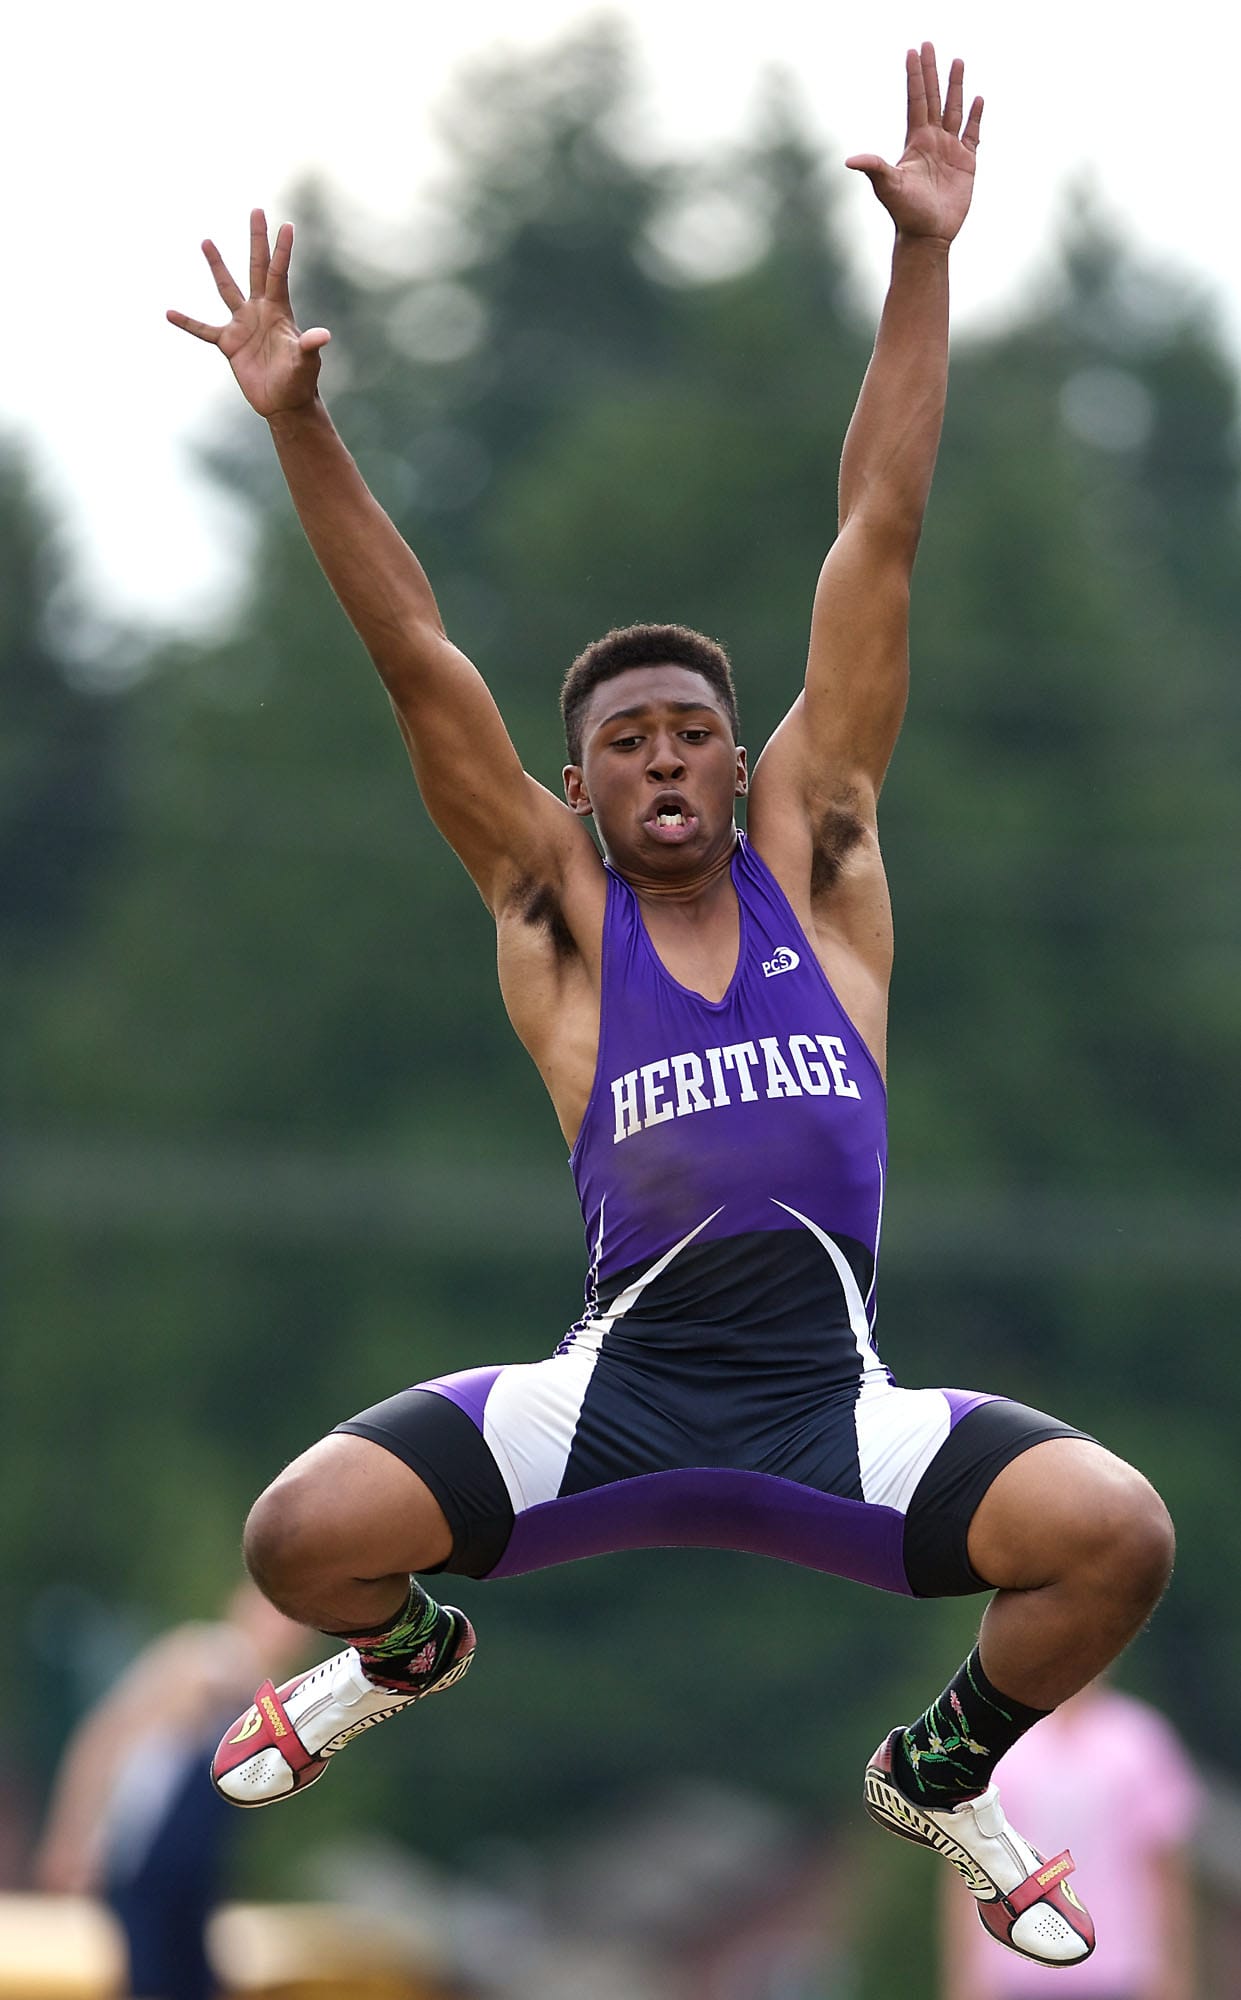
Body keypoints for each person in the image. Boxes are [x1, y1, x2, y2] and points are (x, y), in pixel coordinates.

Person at [168, 46, 1176, 1973]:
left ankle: (947, 1771)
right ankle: (414, 1650)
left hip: (827, 1413)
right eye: (622, 742)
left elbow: (875, 532)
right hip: (606, 1404)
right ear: (576, 791)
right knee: (298, 1538)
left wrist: (924, 264)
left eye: (695, 736)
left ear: (745, 769)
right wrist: (303, 428)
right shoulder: (555, 920)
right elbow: (412, 656)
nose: (662, 762)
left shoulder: (827, 871)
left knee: (1113, 1530)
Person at [32, 1583, 306, 2000]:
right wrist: (71, 1835)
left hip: (194, 1874)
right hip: (146, 1858)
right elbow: (106, 1738)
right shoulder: (200, 1661)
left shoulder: (280, 1698)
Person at [939, 1679, 1202, 1999]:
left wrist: (1175, 1971)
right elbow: (968, 1869)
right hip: (1016, 1969)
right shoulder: (998, 1744)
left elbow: (1164, 1869)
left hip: (1118, 1972)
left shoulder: (1138, 1740)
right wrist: (964, 1973)